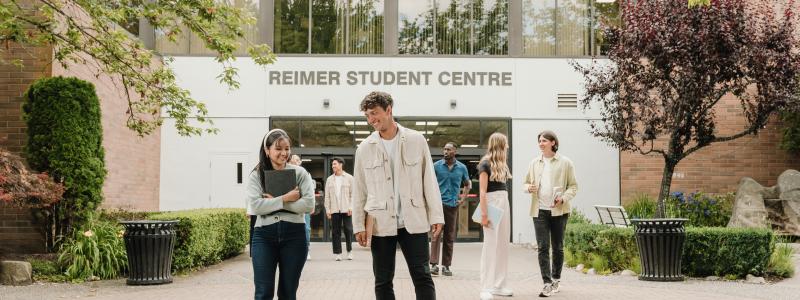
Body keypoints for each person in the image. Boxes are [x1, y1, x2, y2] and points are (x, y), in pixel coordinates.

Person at [352, 91, 444, 300]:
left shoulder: (416, 140)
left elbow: (428, 179)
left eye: (375, 113)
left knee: (422, 276)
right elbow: (360, 190)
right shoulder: (364, 148)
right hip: (380, 223)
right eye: (367, 116)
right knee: (383, 281)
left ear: (389, 110)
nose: (371, 119)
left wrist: (437, 215)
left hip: (414, 220)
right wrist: (358, 225)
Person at [246, 129, 315, 300]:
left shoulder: (300, 173)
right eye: (278, 149)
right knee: (263, 293)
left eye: (287, 148)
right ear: (267, 150)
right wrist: (287, 198)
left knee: (288, 293)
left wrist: (274, 202)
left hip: (294, 236)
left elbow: (309, 204)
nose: (284, 153)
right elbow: (255, 206)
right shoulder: (257, 175)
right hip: (264, 236)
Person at [523, 130, 578, 298]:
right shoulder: (534, 163)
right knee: (543, 247)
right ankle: (546, 282)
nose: (541, 143)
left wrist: (563, 198)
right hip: (539, 210)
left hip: (559, 211)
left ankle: (556, 278)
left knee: (558, 247)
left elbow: (573, 186)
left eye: (544, 140)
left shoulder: (565, 162)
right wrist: (528, 188)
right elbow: (525, 183)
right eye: (539, 141)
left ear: (553, 143)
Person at [477, 133, 513, 300]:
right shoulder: (485, 164)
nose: (507, 147)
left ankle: (499, 285)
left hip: (503, 201)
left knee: (502, 245)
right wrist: (484, 215)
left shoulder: (503, 165)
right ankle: (485, 287)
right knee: (490, 246)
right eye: (505, 144)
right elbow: (482, 192)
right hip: (491, 202)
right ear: (499, 145)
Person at [430, 142, 471, 276]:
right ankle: (434, 265)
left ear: (454, 151)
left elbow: (467, 184)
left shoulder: (462, 168)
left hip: (452, 206)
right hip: (438, 205)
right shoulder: (436, 166)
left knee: (449, 236)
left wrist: (463, 198)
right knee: (436, 234)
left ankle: (446, 266)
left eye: (448, 149)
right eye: (444, 149)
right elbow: (429, 184)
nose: (445, 151)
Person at [324, 157, 355, 261]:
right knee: (335, 231)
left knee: (348, 230)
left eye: (335, 164)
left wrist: (351, 207)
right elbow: (327, 196)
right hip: (334, 209)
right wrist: (328, 210)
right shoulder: (329, 179)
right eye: (332, 164)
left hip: (346, 209)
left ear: (341, 164)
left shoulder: (349, 178)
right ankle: (338, 253)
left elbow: (353, 195)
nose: (333, 166)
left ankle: (350, 251)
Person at [289, 154, 313, 261]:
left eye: (298, 160)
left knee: (306, 228)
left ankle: (306, 250)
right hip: (290, 206)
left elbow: (311, 191)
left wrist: (312, 205)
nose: (295, 161)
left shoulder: (306, 174)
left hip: (303, 206)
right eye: (293, 159)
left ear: (300, 162)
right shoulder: (287, 173)